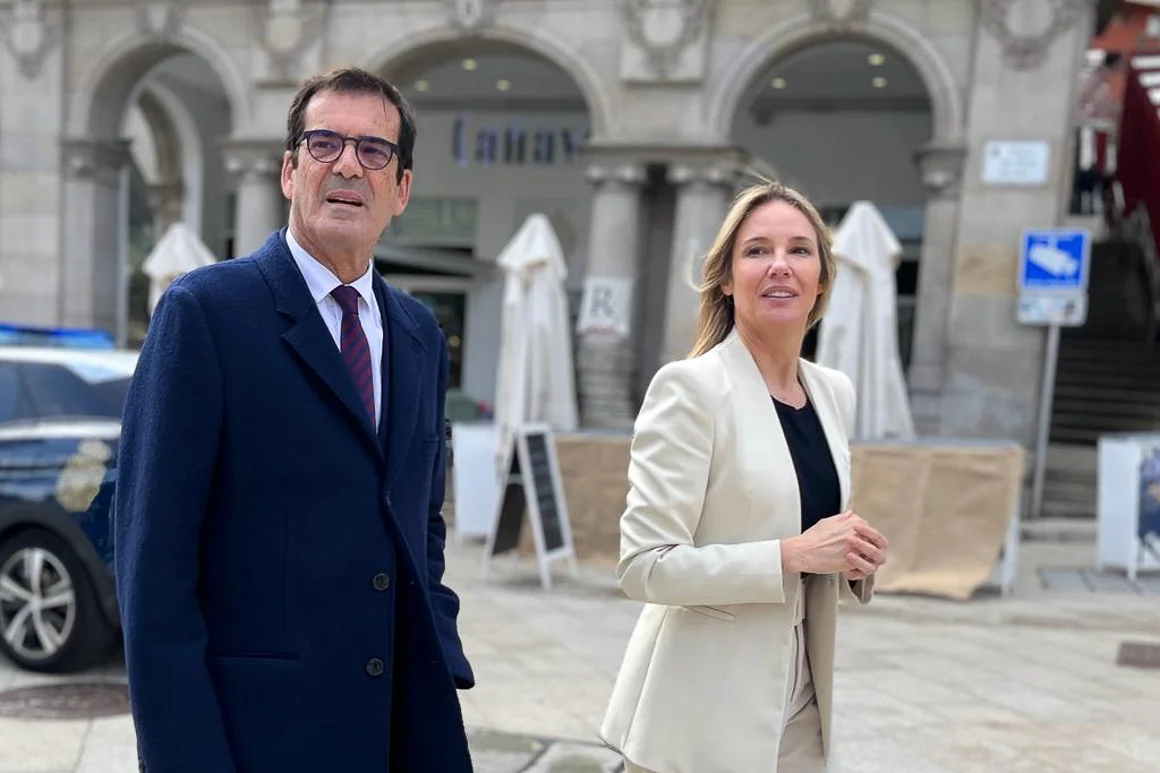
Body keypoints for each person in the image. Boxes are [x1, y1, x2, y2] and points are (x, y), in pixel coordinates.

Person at [114, 68, 474, 773]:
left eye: (374, 150)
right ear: (289, 172)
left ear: (401, 188)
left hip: (403, 729)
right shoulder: (205, 314)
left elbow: (419, 522)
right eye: (324, 143)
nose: (348, 165)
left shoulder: (419, 333)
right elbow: (153, 572)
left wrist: (441, 646)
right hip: (261, 738)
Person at [600, 182, 890, 773]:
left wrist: (852, 560)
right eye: (757, 250)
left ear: (821, 279)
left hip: (803, 702)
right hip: (699, 717)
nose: (780, 265)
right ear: (727, 279)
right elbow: (645, 566)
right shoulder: (690, 388)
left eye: (799, 250)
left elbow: (809, 538)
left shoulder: (834, 392)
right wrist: (791, 554)